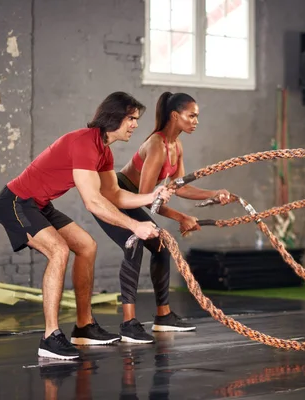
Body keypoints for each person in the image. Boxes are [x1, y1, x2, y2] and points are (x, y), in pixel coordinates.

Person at [0, 92, 174, 360]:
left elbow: (113, 195)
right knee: (59, 251)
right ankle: (50, 337)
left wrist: (151, 196)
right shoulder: (84, 143)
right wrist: (135, 226)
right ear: (114, 117)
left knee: (87, 246)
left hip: (40, 205)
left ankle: (84, 326)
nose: (135, 125)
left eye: (136, 119)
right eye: (131, 119)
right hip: (16, 202)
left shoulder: (104, 152)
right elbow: (93, 201)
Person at [93, 92, 231, 344]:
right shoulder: (156, 145)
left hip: (135, 198)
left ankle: (163, 316)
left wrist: (215, 193)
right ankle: (128, 323)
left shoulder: (176, 146)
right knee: (133, 245)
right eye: (192, 115)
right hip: (116, 197)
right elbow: (147, 197)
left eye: (197, 116)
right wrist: (180, 217)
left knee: (161, 246)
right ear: (175, 116)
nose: (196, 121)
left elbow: (180, 187)